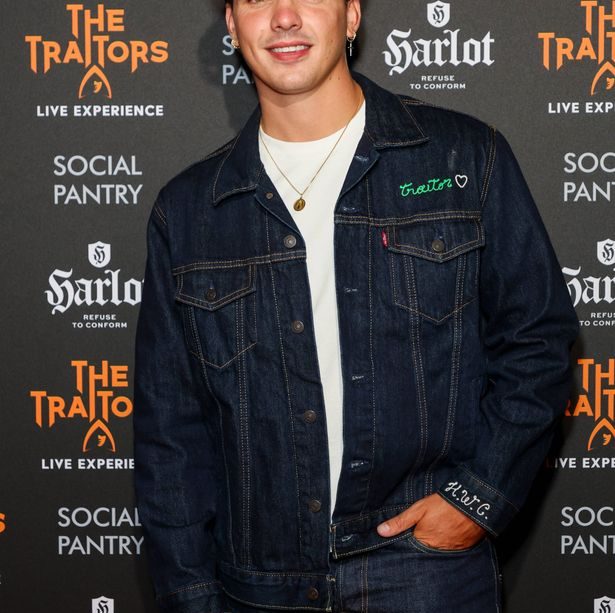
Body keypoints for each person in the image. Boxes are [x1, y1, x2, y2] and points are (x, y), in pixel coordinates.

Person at [133, 1, 579, 612]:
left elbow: (538, 342)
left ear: (351, 15)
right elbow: (170, 430)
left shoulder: (463, 157)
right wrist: (190, 597)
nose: (284, 17)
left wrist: (478, 500)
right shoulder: (188, 210)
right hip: (257, 587)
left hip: (424, 576)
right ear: (232, 24)